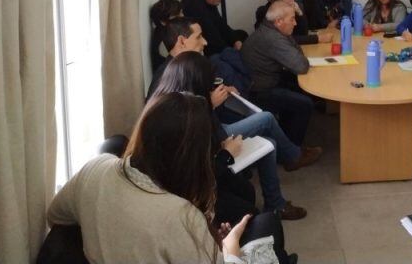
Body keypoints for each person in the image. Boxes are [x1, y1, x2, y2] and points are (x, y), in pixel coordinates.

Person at [47, 92, 272, 264]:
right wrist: (230, 251)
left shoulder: (95, 168)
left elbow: (56, 214)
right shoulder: (180, 215)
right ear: (193, 155)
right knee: (266, 225)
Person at [154, 52, 310, 224]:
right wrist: (211, 105)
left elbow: (212, 127)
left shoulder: (181, 88)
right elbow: (208, 142)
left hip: (216, 137)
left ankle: (275, 204)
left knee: (270, 144)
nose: (204, 41)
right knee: (267, 118)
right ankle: (293, 157)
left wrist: (219, 100)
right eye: (198, 36)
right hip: (214, 151)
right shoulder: (180, 112)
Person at [241, 2, 315, 146]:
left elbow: (297, 53)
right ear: (279, 21)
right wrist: (295, 49)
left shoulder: (272, 30)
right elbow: (301, 65)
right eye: (292, 19)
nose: (295, 23)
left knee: (299, 87)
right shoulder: (272, 38)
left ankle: (286, 134)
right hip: (260, 90)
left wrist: (292, 42)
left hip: (263, 80)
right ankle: (293, 153)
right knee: (305, 104)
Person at [182, 0, 249, 57]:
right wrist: (232, 54)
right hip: (205, 48)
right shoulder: (194, 5)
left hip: (212, 40)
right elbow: (212, 38)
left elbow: (221, 24)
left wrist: (235, 40)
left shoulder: (208, 1)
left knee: (242, 34)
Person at [255, 0, 333, 45]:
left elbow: (303, 32)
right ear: (277, 1)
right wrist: (317, 39)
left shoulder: (288, 11)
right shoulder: (266, 13)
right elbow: (286, 39)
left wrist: (299, 12)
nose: (292, 0)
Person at [149, 0, 182, 71]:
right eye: (177, 16)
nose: (182, 17)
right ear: (163, 21)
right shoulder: (165, 39)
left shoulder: (163, 32)